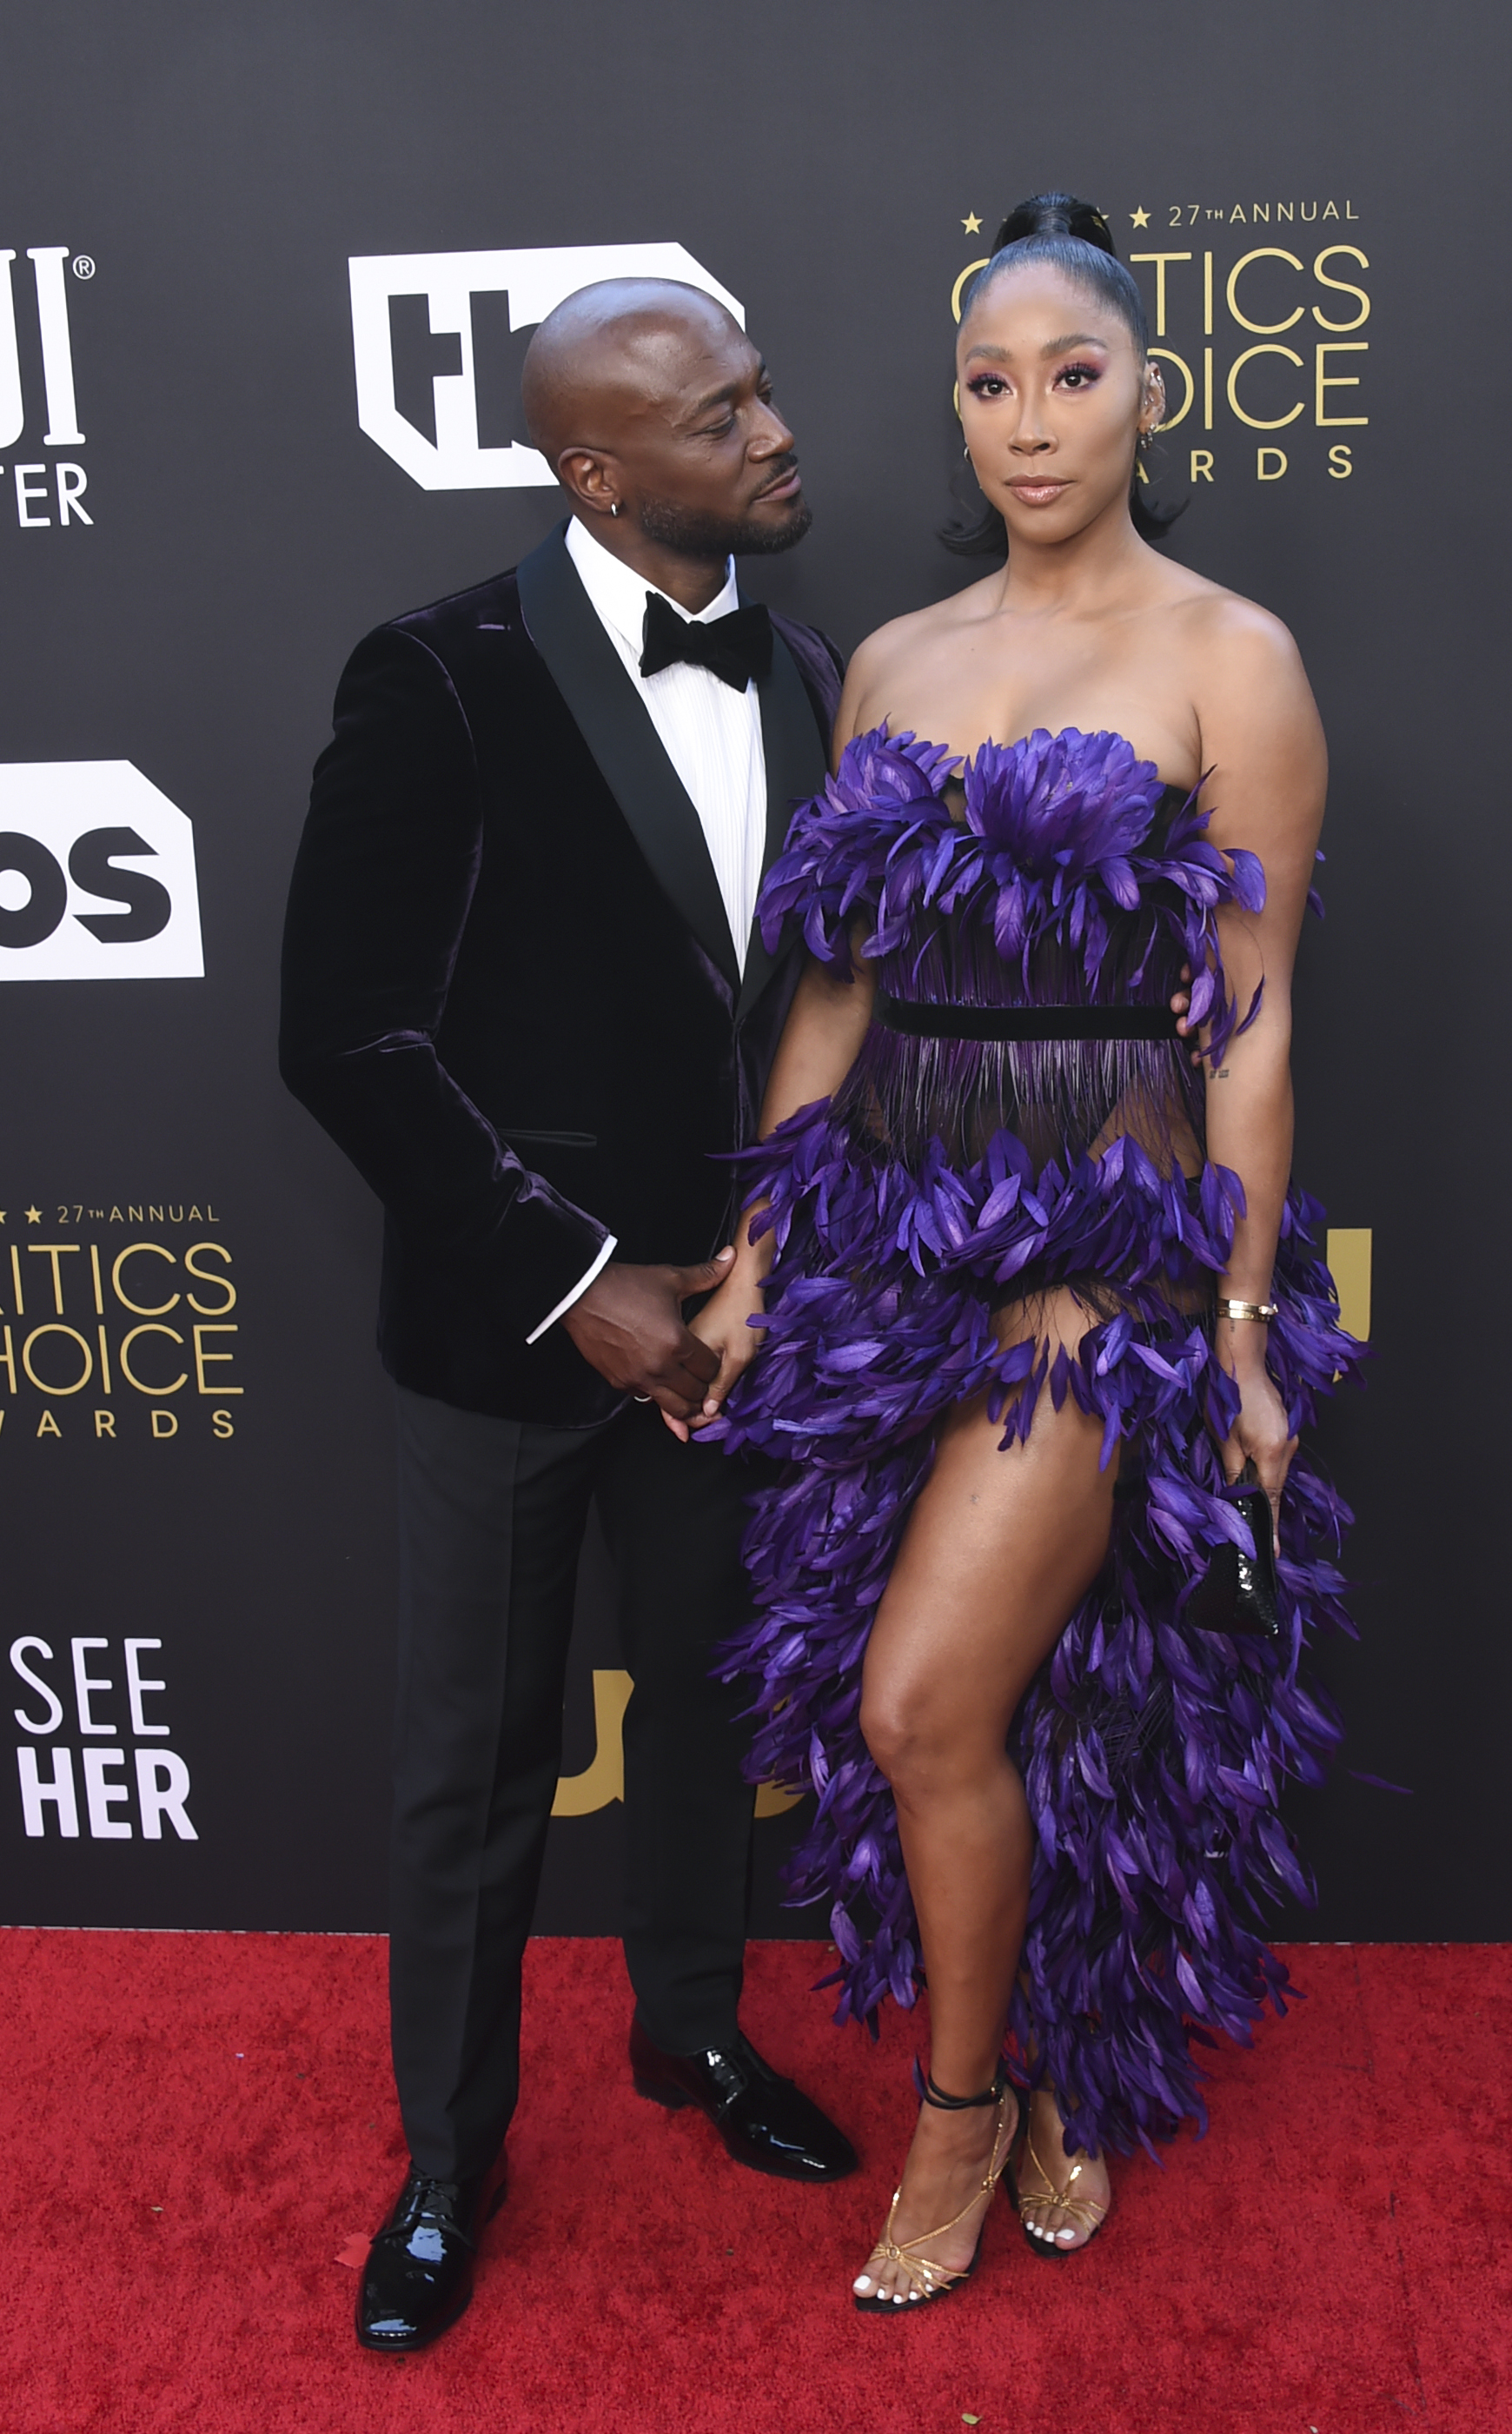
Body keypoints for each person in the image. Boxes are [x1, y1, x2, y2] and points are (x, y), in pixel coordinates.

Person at [682, 195, 1362, 2311]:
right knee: (996, 1707)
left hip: (1112, 1251)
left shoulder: (1226, 656)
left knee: (919, 1700)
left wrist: (1243, 1338)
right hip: (893, 1240)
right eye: (990, 384)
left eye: (1073, 376)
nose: (1029, 422)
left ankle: (964, 2113)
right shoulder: (891, 661)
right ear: (955, 404)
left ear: (1149, 390)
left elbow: (1245, 1025)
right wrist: (750, 1256)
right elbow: (827, 999)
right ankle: (1054, 2063)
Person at [279, 276, 858, 2357]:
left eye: (764, 387)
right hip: (516, 1343)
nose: (778, 431)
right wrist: (574, 1280)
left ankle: (689, 2041)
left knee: (713, 1727)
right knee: (477, 1765)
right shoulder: (433, 679)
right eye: (722, 414)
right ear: (596, 471)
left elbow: (790, 1018)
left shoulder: (800, 675)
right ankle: (448, 2160)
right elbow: (344, 1038)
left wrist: (752, 1283)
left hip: (739, 1339)